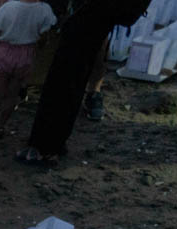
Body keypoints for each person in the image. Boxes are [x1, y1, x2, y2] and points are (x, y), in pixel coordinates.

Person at [19, 0, 144, 164]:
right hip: (93, 13)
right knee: (72, 70)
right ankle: (52, 141)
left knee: (68, 71)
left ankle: (46, 145)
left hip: (94, 12)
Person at [0, 0, 54, 144]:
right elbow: (43, 37)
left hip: (4, 53)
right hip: (26, 55)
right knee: (12, 96)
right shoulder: (45, 9)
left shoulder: (8, 7)